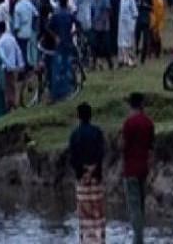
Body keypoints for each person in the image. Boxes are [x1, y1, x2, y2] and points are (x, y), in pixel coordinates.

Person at [120, 92, 155, 244]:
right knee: (141, 205)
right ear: (142, 105)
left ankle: (138, 239)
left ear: (131, 105)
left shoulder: (128, 123)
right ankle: (140, 237)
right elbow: (151, 147)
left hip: (130, 169)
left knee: (134, 208)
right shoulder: (148, 122)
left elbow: (122, 145)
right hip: (144, 168)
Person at [69, 103, 105, 243]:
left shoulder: (75, 135)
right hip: (96, 177)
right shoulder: (97, 132)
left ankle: (86, 240)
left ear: (79, 116)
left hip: (82, 178)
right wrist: (94, 169)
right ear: (90, 116)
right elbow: (101, 153)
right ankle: (99, 240)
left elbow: (73, 157)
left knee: (84, 214)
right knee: (97, 213)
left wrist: (83, 170)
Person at [0, 20, 25, 110]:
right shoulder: (12, 38)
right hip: (14, 66)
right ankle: (13, 102)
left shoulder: (0, 41)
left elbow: (2, 56)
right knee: (13, 84)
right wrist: (20, 63)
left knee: (7, 86)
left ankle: (9, 104)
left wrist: (7, 64)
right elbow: (18, 51)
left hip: (5, 67)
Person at [118, 0, 138, 67]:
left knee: (129, 43)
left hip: (129, 24)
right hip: (121, 24)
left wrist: (132, 24)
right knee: (121, 42)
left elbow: (135, 13)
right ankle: (123, 59)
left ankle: (130, 60)